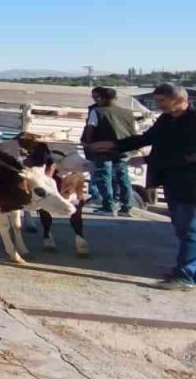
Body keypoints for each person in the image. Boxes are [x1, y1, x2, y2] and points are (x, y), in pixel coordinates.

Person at [88, 84, 196, 290]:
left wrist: (149, 160)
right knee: (183, 230)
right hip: (172, 181)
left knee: (191, 230)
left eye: (162, 101)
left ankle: (187, 276)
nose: (158, 105)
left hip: (191, 184)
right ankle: (185, 269)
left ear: (179, 99)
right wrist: (113, 145)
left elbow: (188, 156)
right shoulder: (166, 119)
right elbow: (146, 138)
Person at [81, 86, 140, 217]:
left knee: (103, 177)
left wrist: (90, 145)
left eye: (96, 97)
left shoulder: (97, 111)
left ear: (102, 98)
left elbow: (90, 128)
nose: (95, 100)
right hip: (122, 149)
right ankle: (126, 207)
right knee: (123, 178)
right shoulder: (128, 112)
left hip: (102, 149)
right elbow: (134, 131)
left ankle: (109, 206)